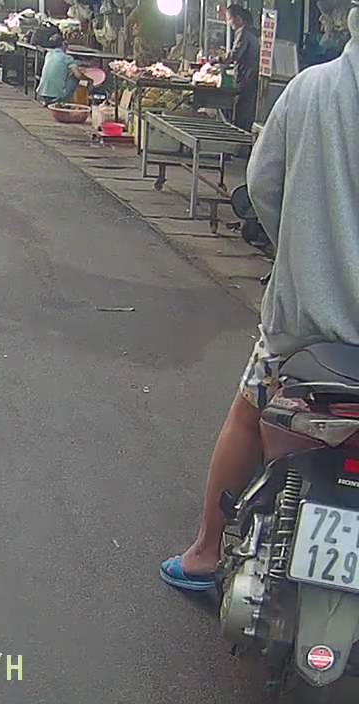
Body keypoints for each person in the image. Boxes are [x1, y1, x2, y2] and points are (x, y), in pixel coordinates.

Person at [160, 2, 359, 592]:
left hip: (300, 333)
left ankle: (205, 552)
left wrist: (298, 251)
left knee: (248, 419)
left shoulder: (311, 90)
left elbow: (261, 185)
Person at [226, 5, 259, 129]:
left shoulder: (243, 33)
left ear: (238, 18)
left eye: (230, 19)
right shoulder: (252, 33)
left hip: (245, 79)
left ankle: (237, 139)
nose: (229, 23)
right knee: (246, 114)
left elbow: (235, 55)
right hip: (250, 78)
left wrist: (218, 59)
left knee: (240, 116)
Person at [37, 37, 88, 105]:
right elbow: (78, 75)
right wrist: (89, 79)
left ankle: (47, 99)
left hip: (41, 94)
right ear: (63, 44)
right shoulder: (67, 58)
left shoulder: (49, 55)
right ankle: (62, 100)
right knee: (74, 77)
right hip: (56, 96)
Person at [126, 0, 176, 65]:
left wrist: (128, 39)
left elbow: (129, 22)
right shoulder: (143, 8)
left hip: (152, 41)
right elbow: (129, 22)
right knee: (147, 66)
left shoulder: (159, 8)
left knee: (152, 66)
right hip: (146, 41)